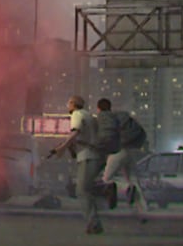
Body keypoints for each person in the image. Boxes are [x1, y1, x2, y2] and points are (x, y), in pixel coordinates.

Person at [49, 95, 104, 235]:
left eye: (69, 103)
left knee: (82, 190)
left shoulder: (77, 114)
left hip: (87, 156)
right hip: (94, 156)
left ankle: (94, 223)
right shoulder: (89, 116)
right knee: (86, 189)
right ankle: (94, 220)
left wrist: (61, 148)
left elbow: (75, 132)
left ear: (74, 104)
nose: (68, 105)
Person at [96, 98, 148, 222]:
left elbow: (105, 137)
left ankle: (125, 188)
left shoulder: (104, 118)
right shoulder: (120, 116)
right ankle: (143, 212)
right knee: (133, 180)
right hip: (130, 150)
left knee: (107, 179)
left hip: (117, 151)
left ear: (99, 108)